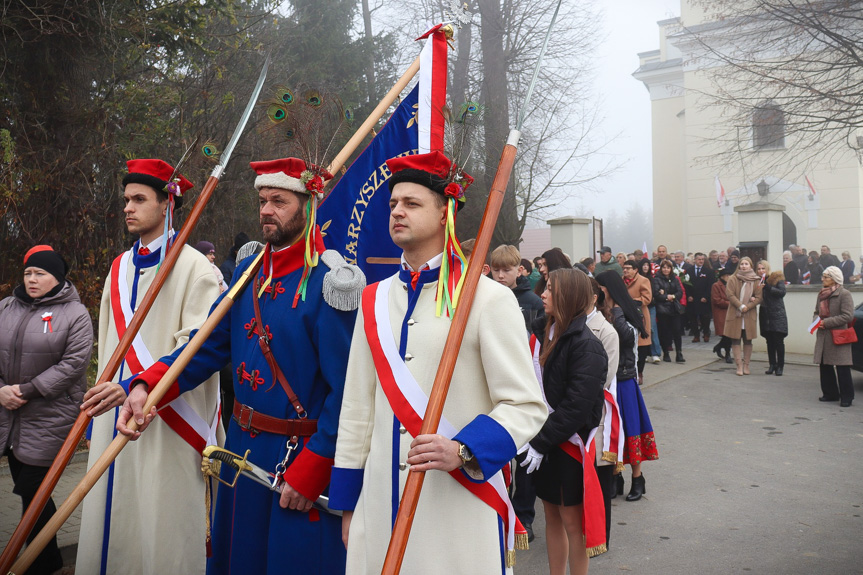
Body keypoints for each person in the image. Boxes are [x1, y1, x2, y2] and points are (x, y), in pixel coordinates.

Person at [116, 157, 364, 574]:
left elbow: (349, 392)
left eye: (279, 201)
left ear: (309, 207)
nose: (266, 209)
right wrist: (146, 386)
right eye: (263, 200)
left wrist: (315, 468)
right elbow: (204, 347)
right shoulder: (248, 272)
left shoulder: (330, 282)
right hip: (241, 454)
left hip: (296, 460)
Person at [330, 151, 547, 574]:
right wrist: (347, 503)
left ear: (446, 211)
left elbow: (526, 405)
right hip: (376, 504)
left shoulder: (488, 298)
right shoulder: (372, 300)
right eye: (393, 203)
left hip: (457, 503)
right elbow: (356, 409)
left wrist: (464, 448)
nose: (397, 212)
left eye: (412, 204)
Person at [77, 159, 223, 575]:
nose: (128, 208)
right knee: (111, 520)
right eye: (126, 199)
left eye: (139, 199)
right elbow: (108, 348)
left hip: (168, 418)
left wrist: (137, 386)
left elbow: (195, 348)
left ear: (166, 205)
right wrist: (94, 422)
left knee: (161, 527)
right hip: (113, 415)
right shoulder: (118, 268)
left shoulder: (197, 268)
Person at [0, 246, 93, 575]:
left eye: (40, 273)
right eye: (28, 272)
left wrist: (25, 390)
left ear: (57, 278)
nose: (32, 279)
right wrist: (1, 391)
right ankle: (48, 563)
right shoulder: (6, 307)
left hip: (53, 418)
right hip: (11, 418)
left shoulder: (75, 314)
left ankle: (36, 563)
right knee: (31, 498)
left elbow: (73, 365)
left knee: (32, 492)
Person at [526, 268, 607, 573]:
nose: (542, 294)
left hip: (567, 446)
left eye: (549, 289)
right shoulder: (541, 333)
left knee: (573, 524)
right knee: (551, 516)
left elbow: (576, 407)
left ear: (568, 296)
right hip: (543, 442)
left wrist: (541, 441)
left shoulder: (587, 345)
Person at [595, 271, 657, 505]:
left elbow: (626, 339)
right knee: (612, 431)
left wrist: (617, 311)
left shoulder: (624, 313)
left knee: (631, 429)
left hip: (624, 380)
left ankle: (637, 479)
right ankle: (615, 476)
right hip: (608, 382)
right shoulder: (603, 312)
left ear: (607, 288)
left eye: (599, 287)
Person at [585, 278, 621, 550]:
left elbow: (604, 377)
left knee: (599, 481)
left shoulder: (605, 331)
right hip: (575, 416)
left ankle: (601, 538)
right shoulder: (564, 326)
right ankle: (583, 532)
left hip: (595, 415)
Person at [814, 266, 855, 407]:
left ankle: (847, 397)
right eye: (823, 276)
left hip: (839, 335)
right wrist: (816, 321)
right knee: (825, 364)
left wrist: (826, 322)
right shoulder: (822, 294)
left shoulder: (844, 294)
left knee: (842, 367)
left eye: (826, 277)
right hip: (824, 335)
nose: (822, 279)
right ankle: (830, 394)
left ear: (834, 279)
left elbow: (848, 315)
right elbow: (816, 311)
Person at [724, 256, 763, 376]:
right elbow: (730, 295)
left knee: (748, 340)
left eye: (746, 264)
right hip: (736, 313)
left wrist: (749, 306)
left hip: (749, 314)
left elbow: (759, 297)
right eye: (742, 264)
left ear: (751, 266)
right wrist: (740, 306)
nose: (744, 266)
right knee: (735, 339)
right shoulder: (733, 278)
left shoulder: (757, 280)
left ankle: (746, 365)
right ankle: (739, 365)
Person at [491, 245, 544, 332]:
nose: (500, 275)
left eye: (506, 270)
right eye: (496, 270)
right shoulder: (486, 298)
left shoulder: (534, 302)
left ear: (519, 271)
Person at [623, 259, 652, 384]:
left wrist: (633, 301)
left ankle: (640, 372)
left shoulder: (643, 280)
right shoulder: (620, 280)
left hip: (640, 316)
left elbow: (647, 298)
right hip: (624, 315)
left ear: (635, 270)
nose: (625, 270)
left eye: (628, 268)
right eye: (624, 268)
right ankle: (630, 371)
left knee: (642, 346)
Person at [757, 261, 788, 376]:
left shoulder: (776, 278)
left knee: (778, 341)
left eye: (763, 268)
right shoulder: (758, 281)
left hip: (777, 314)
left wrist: (768, 287)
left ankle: (780, 366)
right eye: (759, 269)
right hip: (765, 314)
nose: (761, 271)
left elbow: (782, 292)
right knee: (769, 341)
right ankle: (772, 364)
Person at [653, 260, 685, 363]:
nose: (666, 270)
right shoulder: (657, 279)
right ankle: (666, 352)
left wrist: (673, 296)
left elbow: (679, 292)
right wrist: (667, 296)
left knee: (677, 331)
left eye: (668, 267)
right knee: (664, 332)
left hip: (674, 308)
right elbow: (657, 294)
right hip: (663, 309)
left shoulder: (675, 278)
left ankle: (679, 353)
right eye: (664, 267)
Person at [684, 252, 714, 342]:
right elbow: (685, 284)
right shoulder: (689, 271)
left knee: (705, 318)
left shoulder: (708, 271)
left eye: (702, 259)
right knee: (693, 318)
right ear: (695, 260)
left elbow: (710, 286)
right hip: (692, 299)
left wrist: (706, 296)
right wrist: (689, 295)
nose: (701, 261)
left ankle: (706, 333)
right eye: (699, 259)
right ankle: (696, 335)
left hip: (703, 299)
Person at [639, 259, 662, 364]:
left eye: (647, 265)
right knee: (641, 330)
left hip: (650, 306)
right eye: (643, 265)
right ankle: (644, 353)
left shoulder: (652, 279)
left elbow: (655, 292)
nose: (645, 267)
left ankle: (655, 353)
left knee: (652, 329)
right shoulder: (637, 279)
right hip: (639, 306)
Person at [711, 268, 733, 363]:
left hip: (731, 313)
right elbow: (717, 300)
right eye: (727, 275)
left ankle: (719, 346)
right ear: (722, 276)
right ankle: (727, 354)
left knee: (729, 334)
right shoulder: (716, 285)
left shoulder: (731, 285)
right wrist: (731, 303)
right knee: (726, 334)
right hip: (721, 313)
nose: (729, 277)